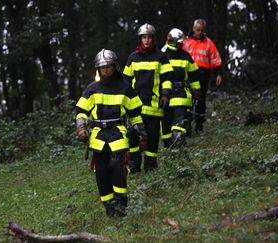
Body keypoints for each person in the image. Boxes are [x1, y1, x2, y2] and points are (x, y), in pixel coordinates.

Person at [75, 49, 147, 217]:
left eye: (108, 66)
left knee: (117, 168)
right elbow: (80, 111)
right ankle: (109, 207)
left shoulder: (125, 88)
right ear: (98, 69)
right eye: (102, 67)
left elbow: (136, 114)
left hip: (118, 135)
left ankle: (121, 205)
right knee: (101, 172)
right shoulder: (92, 89)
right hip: (99, 137)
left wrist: (143, 135)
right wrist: (81, 128)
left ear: (115, 66)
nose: (105, 70)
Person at [123, 23, 173, 173]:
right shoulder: (132, 57)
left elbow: (167, 77)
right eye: (144, 37)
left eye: (149, 37)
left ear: (153, 39)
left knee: (152, 138)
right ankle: (134, 165)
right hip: (135, 107)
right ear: (140, 39)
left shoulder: (161, 57)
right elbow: (125, 81)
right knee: (133, 136)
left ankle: (150, 166)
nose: (146, 40)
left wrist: (165, 93)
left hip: (154, 106)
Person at [160, 28, 201, 148]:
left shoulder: (186, 56)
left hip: (181, 94)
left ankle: (178, 144)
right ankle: (168, 146)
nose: (181, 44)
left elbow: (194, 76)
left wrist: (196, 90)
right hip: (164, 95)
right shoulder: (162, 56)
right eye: (179, 42)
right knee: (166, 123)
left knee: (179, 122)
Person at [183, 18, 223, 132]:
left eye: (202, 30)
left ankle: (199, 125)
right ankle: (187, 125)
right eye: (197, 30)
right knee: (187, 99)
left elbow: (216, 59)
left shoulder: (209, 43)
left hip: (203, 74)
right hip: (188, 74)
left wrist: (218, 74)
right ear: (193, 29)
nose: (199, 32)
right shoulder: (185, 42)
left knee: (200, 100)